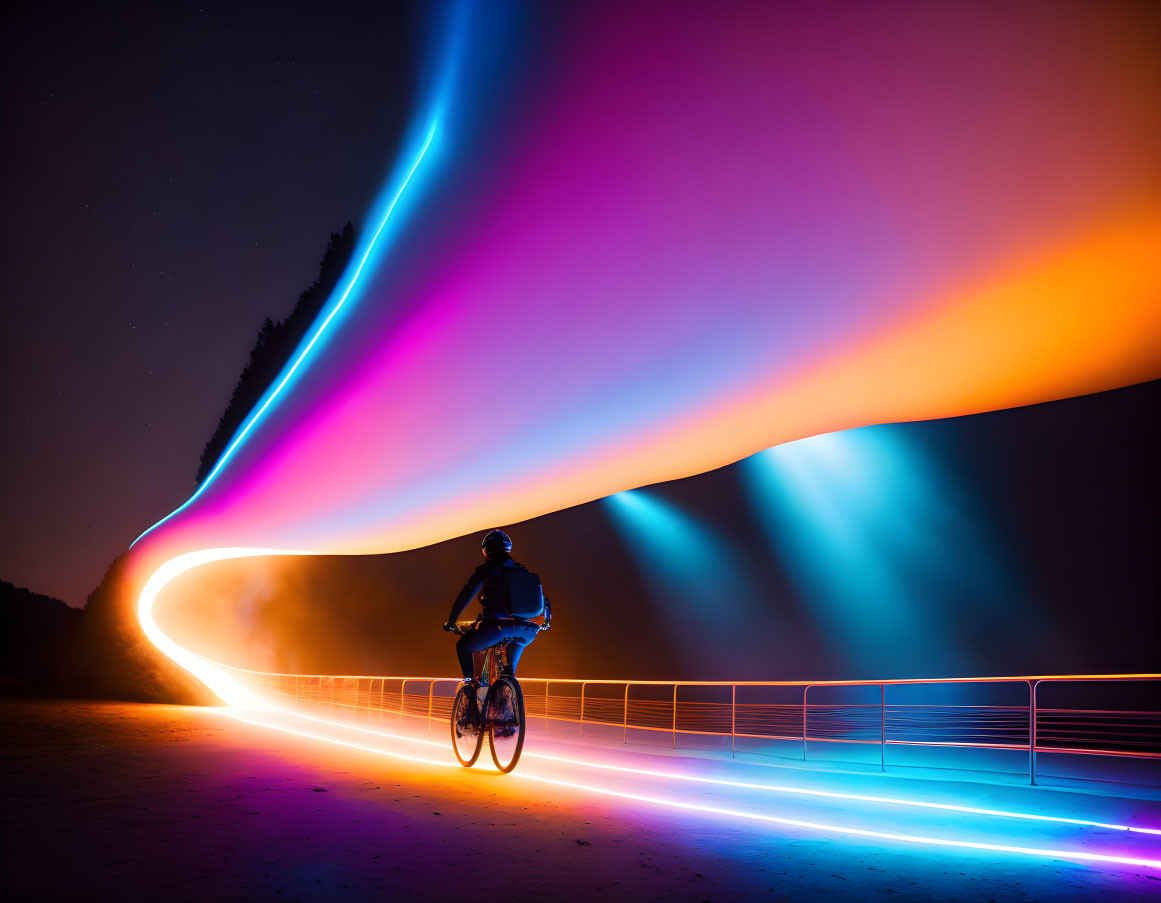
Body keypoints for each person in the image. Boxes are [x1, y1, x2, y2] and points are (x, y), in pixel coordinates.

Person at [442, 529, 551, 687]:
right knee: (509, 672)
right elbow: (543, 598)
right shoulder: (522, 570)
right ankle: (507, 700)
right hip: (527, 630)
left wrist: (452, 621)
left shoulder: (487, 570)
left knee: (463, 647)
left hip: (498, 628)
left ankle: (471, 687)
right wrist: (546, 621)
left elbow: (466, 595)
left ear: (486, 551)